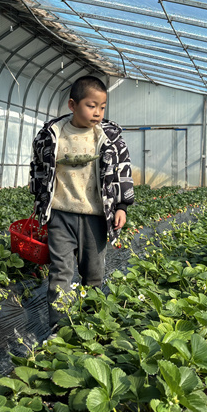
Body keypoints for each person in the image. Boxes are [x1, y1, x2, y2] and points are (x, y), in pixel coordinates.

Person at [29, 75, 134, 329]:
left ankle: (90, 323)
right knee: (60, 274)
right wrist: (39, 200)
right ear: (72, 105)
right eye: (91, 105)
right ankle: (60, 329)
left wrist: (121, 206)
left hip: (95, 216)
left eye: (102, 107)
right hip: (60, 215)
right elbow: (38, 169)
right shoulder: (52, 136)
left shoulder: (109, 139)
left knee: (93, 274)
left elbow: (122, 171)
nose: (97, 112)